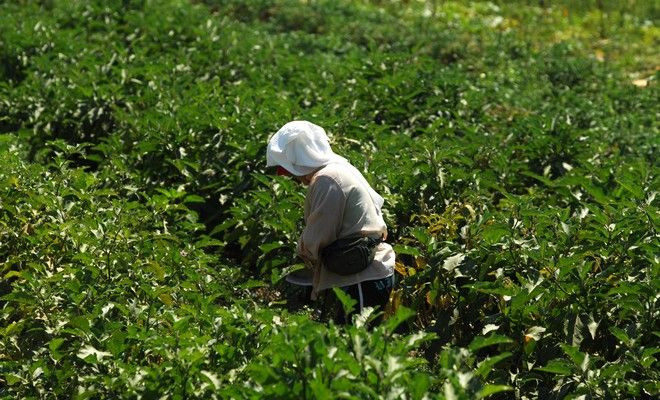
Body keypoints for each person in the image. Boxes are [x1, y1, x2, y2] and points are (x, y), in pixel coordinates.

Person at [266, 120, 395, 324]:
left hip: (361, 277)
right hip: (367, 272)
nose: (292, 177)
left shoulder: (327, 178)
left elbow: (319, 234)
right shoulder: (337, 168)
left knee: (357, 344)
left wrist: (297, 264)